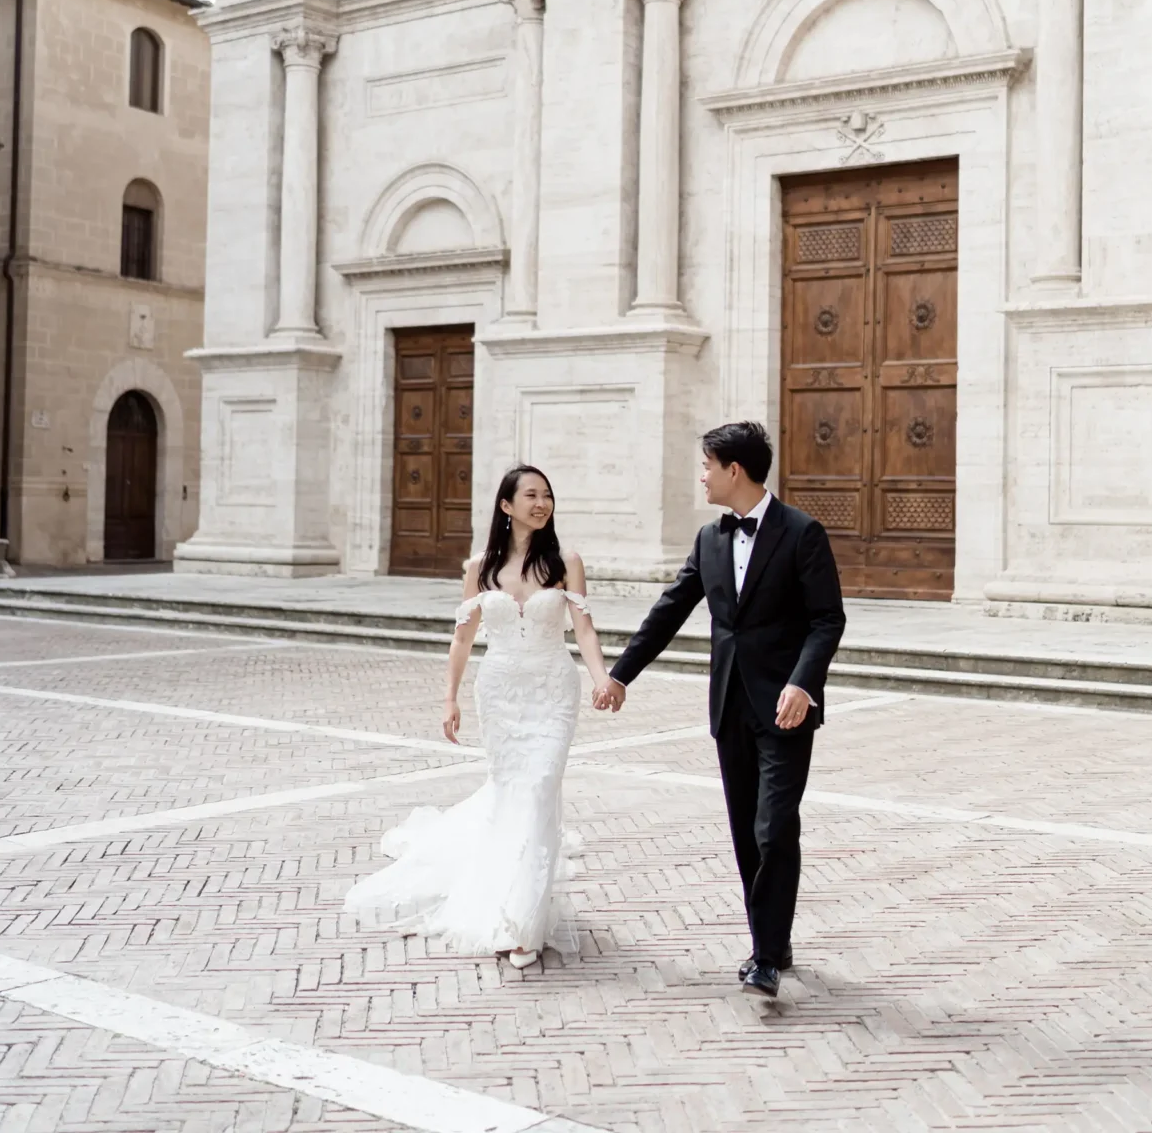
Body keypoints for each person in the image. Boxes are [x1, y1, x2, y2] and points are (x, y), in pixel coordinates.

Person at [594, 421, 845, 999]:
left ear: (735, 470)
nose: (701, 476)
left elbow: (827, 619)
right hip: (730, 705)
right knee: (746, 833)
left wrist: (802, 684)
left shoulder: (803, 533)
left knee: (774, 826)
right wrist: (620, 674)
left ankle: (763, 958)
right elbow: (670, 609)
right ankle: (774, 940)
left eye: (707, 466)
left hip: (786, 708)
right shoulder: (709, 539)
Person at [344, 464, 614, 967]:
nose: (542, 503)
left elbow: (585, 630)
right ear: (506, 506)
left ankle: (523, 925)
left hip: (553, 691)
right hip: (502, 695)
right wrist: (450, 698)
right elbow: (462, 638)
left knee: (539, 789)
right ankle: (506, 903)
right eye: (531, 495)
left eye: (547, 495)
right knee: (514, 793)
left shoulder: (565, 562)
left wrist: (601, 676)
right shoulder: (479, 568)